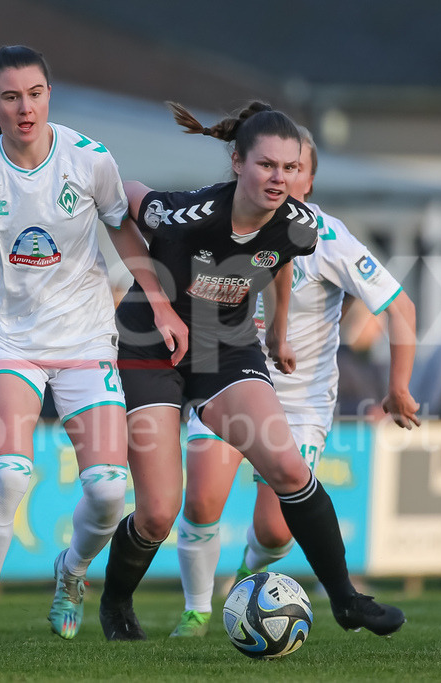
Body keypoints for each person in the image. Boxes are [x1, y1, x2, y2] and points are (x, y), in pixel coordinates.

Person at [0, 26, 185, 646]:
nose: (24, 108)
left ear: (50, 95)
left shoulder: (90, 159)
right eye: (10, 97)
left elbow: (123, 232)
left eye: (34, 94)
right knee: (9, 476)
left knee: (108, 494)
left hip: (85, 339)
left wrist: (159, 305)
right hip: (10, 340)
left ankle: (72, 570)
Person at [100, 101, 406, 641]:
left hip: (225, 348)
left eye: (290, 168)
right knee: (158, 513)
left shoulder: (301, 223)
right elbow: (124, 190)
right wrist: (159, 300)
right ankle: (117, 600)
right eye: (267, 165)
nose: (279, 178)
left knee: (288, 470)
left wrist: (277, 329)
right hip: (153, 345)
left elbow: (282, 258)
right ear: (238, 162)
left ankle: (346, 601)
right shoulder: (187, 215)